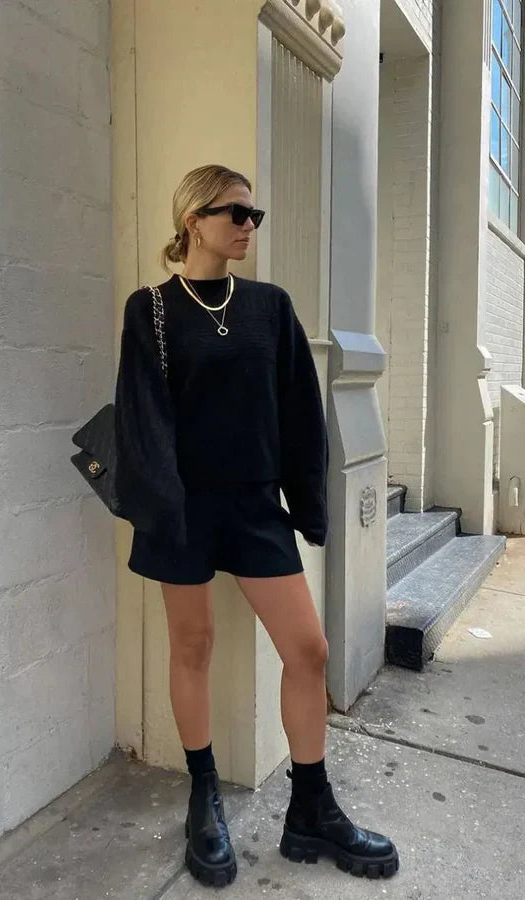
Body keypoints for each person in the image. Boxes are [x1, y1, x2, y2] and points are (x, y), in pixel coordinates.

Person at [113, 164, 399, 887]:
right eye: (236, 213)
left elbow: (301, 410)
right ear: (193, 221)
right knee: (194, 645)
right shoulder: (151, 309)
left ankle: (311, 807)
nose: (249, 226)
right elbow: (143, 415)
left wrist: (307, 506)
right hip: (182, 507)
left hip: (254, 507)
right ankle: (204, 794)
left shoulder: (269, 307)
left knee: (308, 650)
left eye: (254, 215)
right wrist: (163, 508)